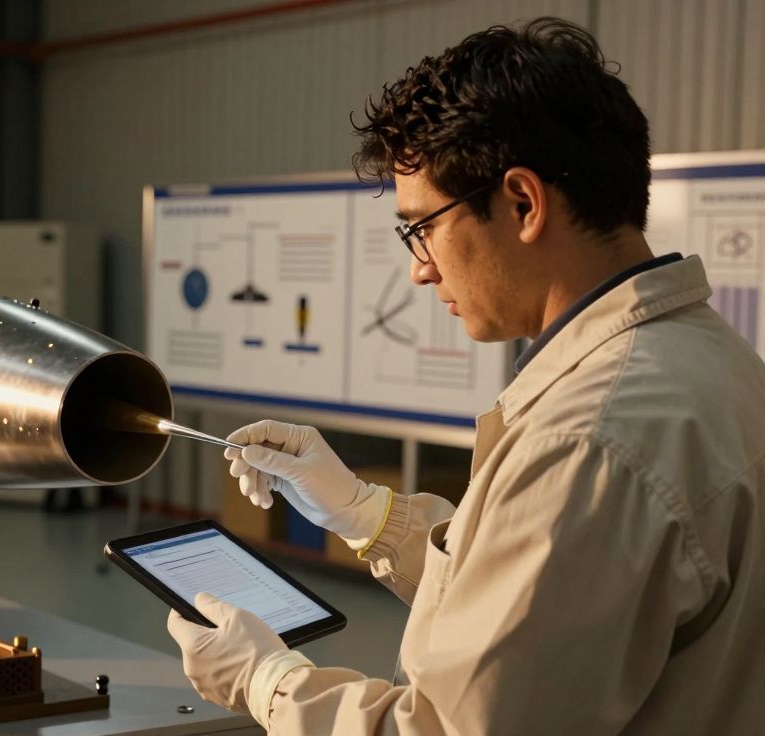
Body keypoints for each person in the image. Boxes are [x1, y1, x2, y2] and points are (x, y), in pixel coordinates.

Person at [166, 17, 765, 734]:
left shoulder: (588, 439)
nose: (419, 268)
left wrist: (267, 678)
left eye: (422, 227)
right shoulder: (709, 359)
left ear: (522, 203)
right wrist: (366, 513)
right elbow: (553, 602)